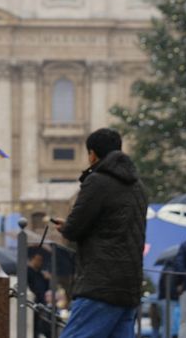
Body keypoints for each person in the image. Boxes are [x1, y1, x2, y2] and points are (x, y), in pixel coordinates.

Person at [50, 127, 148, 338]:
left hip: (100, 283)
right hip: (129, 286)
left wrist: (66, 227)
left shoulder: (97, 181)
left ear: (92, 154)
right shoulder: (138, 186)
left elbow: (75, 228)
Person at [27, 247, 51, 338]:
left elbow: (45, 288)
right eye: (38, 259)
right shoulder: (28, 272)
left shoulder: (41, 274)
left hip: (41, 303)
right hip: (33, 302)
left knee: (40, 327)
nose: (40, 262)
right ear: (33, 259)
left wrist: (47, 280)